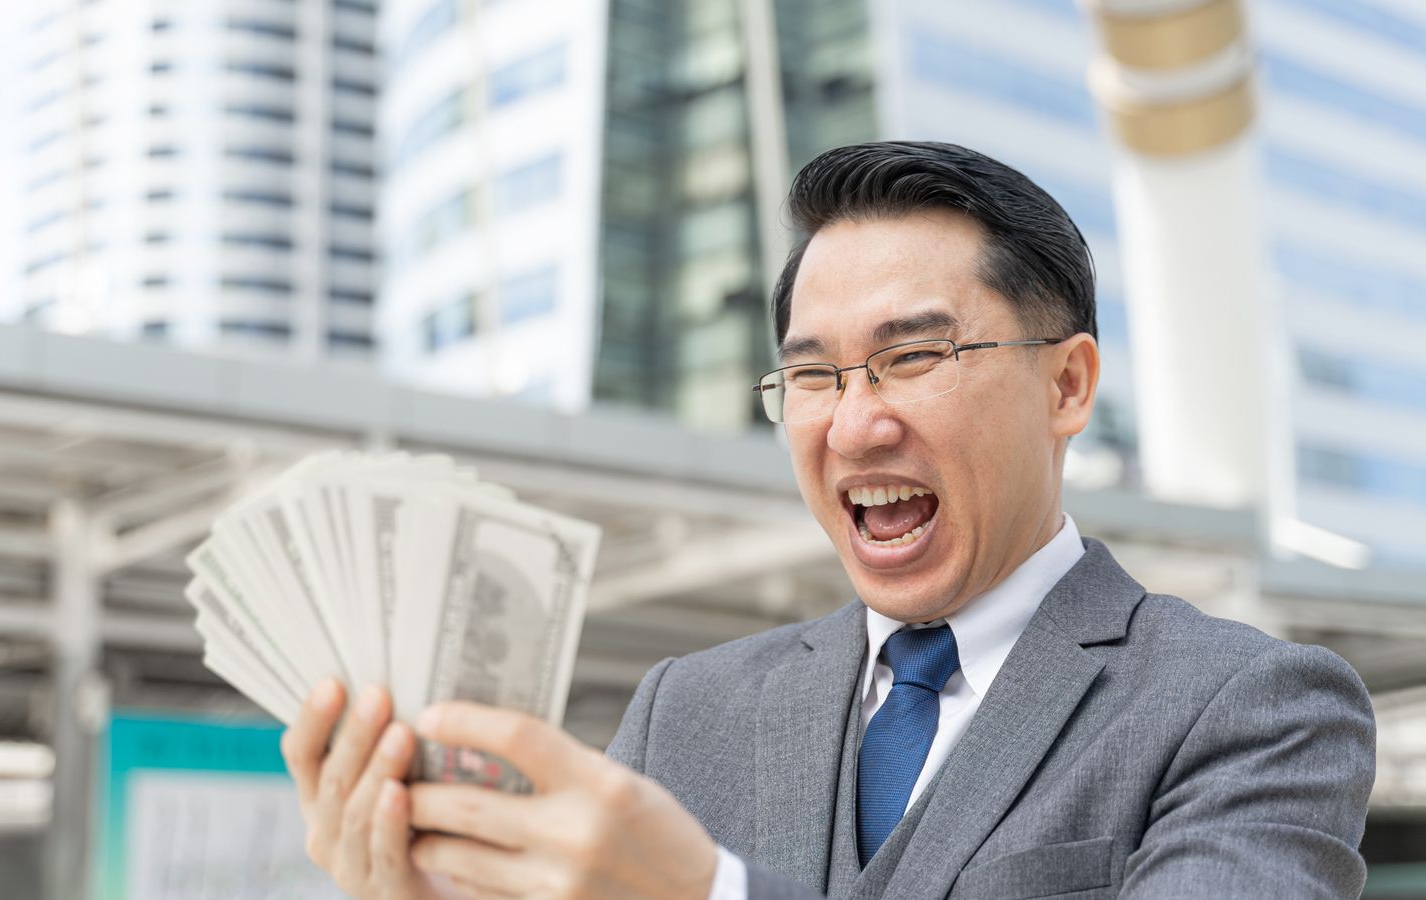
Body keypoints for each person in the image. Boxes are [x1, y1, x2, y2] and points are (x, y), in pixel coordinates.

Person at [280, 141, 1376, 899]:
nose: (853, 426)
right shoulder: (685, 712)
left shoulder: (1252, 709)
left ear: (1067, 385)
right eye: (811, 377)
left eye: (911, 357)